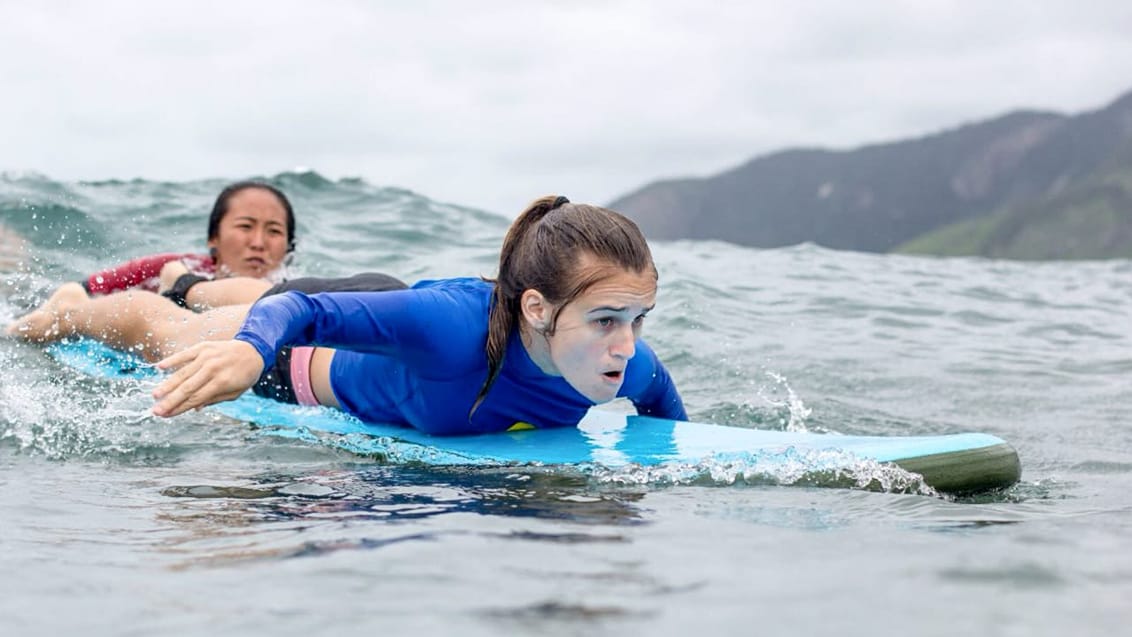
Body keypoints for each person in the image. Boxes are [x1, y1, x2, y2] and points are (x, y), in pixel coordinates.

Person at [149, 195, 686, 435]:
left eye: (639, 318)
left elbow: (658, 390)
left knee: (242, 294)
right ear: (538, 310)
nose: (627, 344)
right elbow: (299, 309)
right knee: (167, 329)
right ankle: (154, 291)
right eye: (606, 320)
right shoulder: (449, 328)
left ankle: (195, 285)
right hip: (295, 359)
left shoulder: (623, 364)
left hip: (391, 320)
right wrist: (249, 350)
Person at [79, 180, 297, 309]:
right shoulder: (174, 268)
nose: (258, 243)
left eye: (274, 231)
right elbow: (87, 289)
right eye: (245, 227)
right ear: (214, 237)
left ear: (288, 245)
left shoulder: (294, 296)